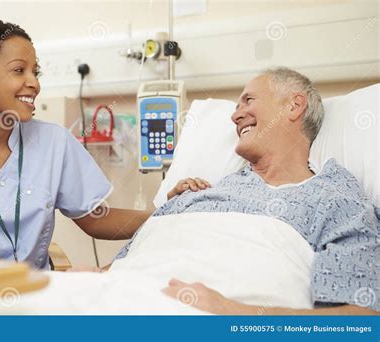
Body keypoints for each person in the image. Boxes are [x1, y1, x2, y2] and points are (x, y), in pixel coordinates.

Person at [108, 67, 378, 314]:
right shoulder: (194, 194)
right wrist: (89, 278)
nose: (235, 115)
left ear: (295, 106)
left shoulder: (336, 201)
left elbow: (358, 323)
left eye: (249, 100)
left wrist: (231, 310)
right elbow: (117, 269)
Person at [0, 13, 152, 268]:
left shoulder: (54, 142)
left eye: (36, 72)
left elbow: (97, 219)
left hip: (38, 293)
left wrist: (168, 213)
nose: (34, 83)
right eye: (18, 70)